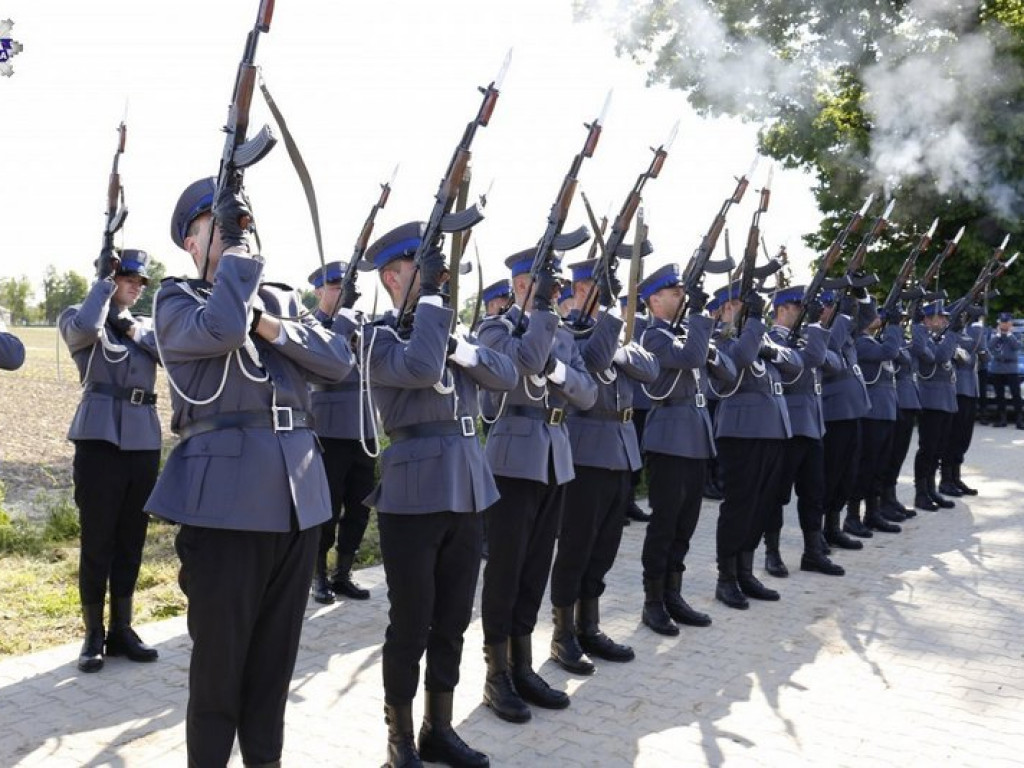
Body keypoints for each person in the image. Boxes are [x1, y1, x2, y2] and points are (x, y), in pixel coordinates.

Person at [146, 177, 356, 767]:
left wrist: (269, 319)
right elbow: (223, 328)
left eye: (240, 218)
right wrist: (238, 267)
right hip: (226, 504)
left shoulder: (279, 300)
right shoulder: (176, 299)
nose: (237, 228)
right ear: (191, 242)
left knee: (273, 666)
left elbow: (337, 362)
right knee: (219, 671)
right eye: (219, 222)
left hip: (299, 499)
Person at [359, 222, 517, 768]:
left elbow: (507, 374)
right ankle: (399, 739)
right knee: (411, 622)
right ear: (391, 277)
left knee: (453, 620)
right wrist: (434, 316)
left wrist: (462, 347)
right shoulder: (378, 336)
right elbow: (422, 367)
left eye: (439, 277)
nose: (437, 284)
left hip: (469, 486)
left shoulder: (448, 333)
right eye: (423, 275)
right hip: (413, 493)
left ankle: (437, 729)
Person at [476, 248, 597, 723]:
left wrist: (561, 373)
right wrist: (543, 317)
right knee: (505, 571)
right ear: (521, 286)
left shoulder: (560, 333)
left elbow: (586, 394)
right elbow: (524, 364)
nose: (554, 295)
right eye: (544, 287)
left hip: (554, 456)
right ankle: (495, 673)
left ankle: (522, 664)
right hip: (513, 455)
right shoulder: (495, 329)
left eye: (556, 289)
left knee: (535, 569)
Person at [548, 256, 657, 672]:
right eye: (598, 288)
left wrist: (620, 349)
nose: (606, 299)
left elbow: (649, 369)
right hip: (586, 451)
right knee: (576, 545)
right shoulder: (567, 335)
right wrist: (612, 332)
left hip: (621, 448)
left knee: (606, 544)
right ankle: (562, 634)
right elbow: (592, 362)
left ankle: (589, 625)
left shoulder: (616, 336)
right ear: (579, 291)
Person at [59, 249, 161, 673]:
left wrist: (133, 329)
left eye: (141, 282)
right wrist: (102, 286)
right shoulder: (80, 315)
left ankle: (123, 628)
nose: (137, 286)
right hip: (99, 440)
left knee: (131, 541)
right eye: (128, 278)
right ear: (110, 278)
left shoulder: (145, 325)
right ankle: (93, 634)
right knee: (97, 541)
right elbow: (83, 330)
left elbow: (167, 352)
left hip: (142, 440)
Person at [636, 264, 736, 634]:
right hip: (669, 438)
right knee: (664, 523)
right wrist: (697, 317)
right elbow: (693, 359)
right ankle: (652, 602)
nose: (683, 298)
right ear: (654, 300)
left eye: (683, 293)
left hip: (695, 438)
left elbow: (724, 371)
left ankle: (673, 594)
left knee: (686, 523)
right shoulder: (653, 338)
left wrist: (703, 337)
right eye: (676, 293)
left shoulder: (683, 336)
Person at [712, 284, 801, 609]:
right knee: (739, 506)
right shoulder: (723, 341)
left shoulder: (759, 340)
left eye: (743, 304)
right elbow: (741, 359)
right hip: (741, 434)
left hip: (773, 433)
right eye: (734, 305)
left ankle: (745, 571)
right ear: (723, 311)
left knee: (761, 505)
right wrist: (753, 325)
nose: (741, 309)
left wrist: (772, 350)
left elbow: (796, 367)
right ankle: (726, 578)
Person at [307, 261, 377, 604]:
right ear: (319, 291)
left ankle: (343, 572)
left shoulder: (362, 326)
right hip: (329, 430)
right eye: (335, 288)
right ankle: (317, 574)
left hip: (363, 429)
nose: (342, 294)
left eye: (346, 289)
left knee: (360, 506)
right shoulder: (310, 326)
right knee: (328, 508)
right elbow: (322, 366)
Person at [764, 287, 845, 578]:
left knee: (814, 492)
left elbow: (835, 363)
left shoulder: (808, 339)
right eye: (799, 308)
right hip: (787, 427)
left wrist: (813, 338)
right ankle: (771, 552)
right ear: (783, 309)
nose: (804, 313)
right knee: (777, 494)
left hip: (813, 424)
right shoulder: (771, 340)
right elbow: (806, 364)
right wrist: (812, 341)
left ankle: (812, 551)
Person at [821, 289, 874, 542]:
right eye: (830, 305)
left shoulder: (846, 333)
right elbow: (830, 345)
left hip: (854, 412)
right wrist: (842, 314)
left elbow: (867, 320)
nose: (834, 309)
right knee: (831, 474)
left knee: (847, 474)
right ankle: (822, 530)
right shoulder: (819, 334)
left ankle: (834, 526)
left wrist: (861, 298)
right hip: (834, 415)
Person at [850, 301, 904, 533]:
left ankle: (873, 512)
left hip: (886, 411)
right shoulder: (861, 343)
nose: (878, 316)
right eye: (874, 314)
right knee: (866, 467)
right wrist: (893, 326)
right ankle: (853, 516)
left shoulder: (873, 341)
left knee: (879, 467)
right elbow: (890, 352)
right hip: (872, 414)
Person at [913, 302, 960, 510]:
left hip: (946, 401)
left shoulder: (939, 339)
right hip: (931, 401)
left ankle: (931, 489)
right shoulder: (924, 338)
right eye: (941, 317)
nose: (945, 321)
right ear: (928, 319)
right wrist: (953, 334)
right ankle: (921, 492)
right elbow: (940, 357)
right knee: (928, 448)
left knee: (939, 449)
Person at [939, 305, 987, 496]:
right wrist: (976, 330)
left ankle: (956, 477)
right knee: (952, 435)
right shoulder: (951, 335)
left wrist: (978, 335)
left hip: (970, 389)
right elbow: (964, 358)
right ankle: (946, 479)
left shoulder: (969, 335)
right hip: (957, 389)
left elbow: (986, 356)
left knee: (963, 437)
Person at [988, 312, 1022, 429]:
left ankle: (1019, 419)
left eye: (1006, 322)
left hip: (1011, 368)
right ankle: (1002, 419)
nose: (1004, 325)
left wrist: (1008, 334)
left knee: (1015, 394)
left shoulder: (1015, 334)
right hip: (997, 368)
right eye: (1002, 322)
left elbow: (1017, 346)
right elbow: (990, 346)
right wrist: (998, 335)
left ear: (1010, 323)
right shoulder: (995, 334)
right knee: (999, 395)